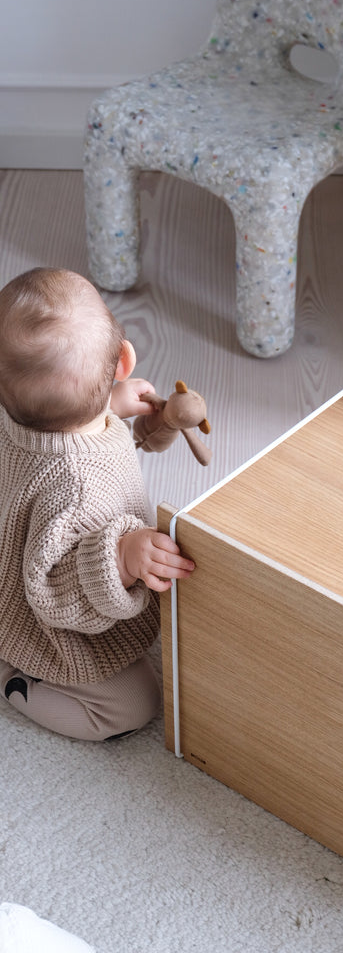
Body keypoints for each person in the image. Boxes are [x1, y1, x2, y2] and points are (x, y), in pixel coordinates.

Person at [0, 267, 195, 740]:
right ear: (124, 360)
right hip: (48, 626)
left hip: (22, 546)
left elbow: (62, 410)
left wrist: (113, 403)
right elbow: (54, 590)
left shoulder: (27, 418)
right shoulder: (74, 487)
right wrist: (121, 556)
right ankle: (11, 678)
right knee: (134, 705)